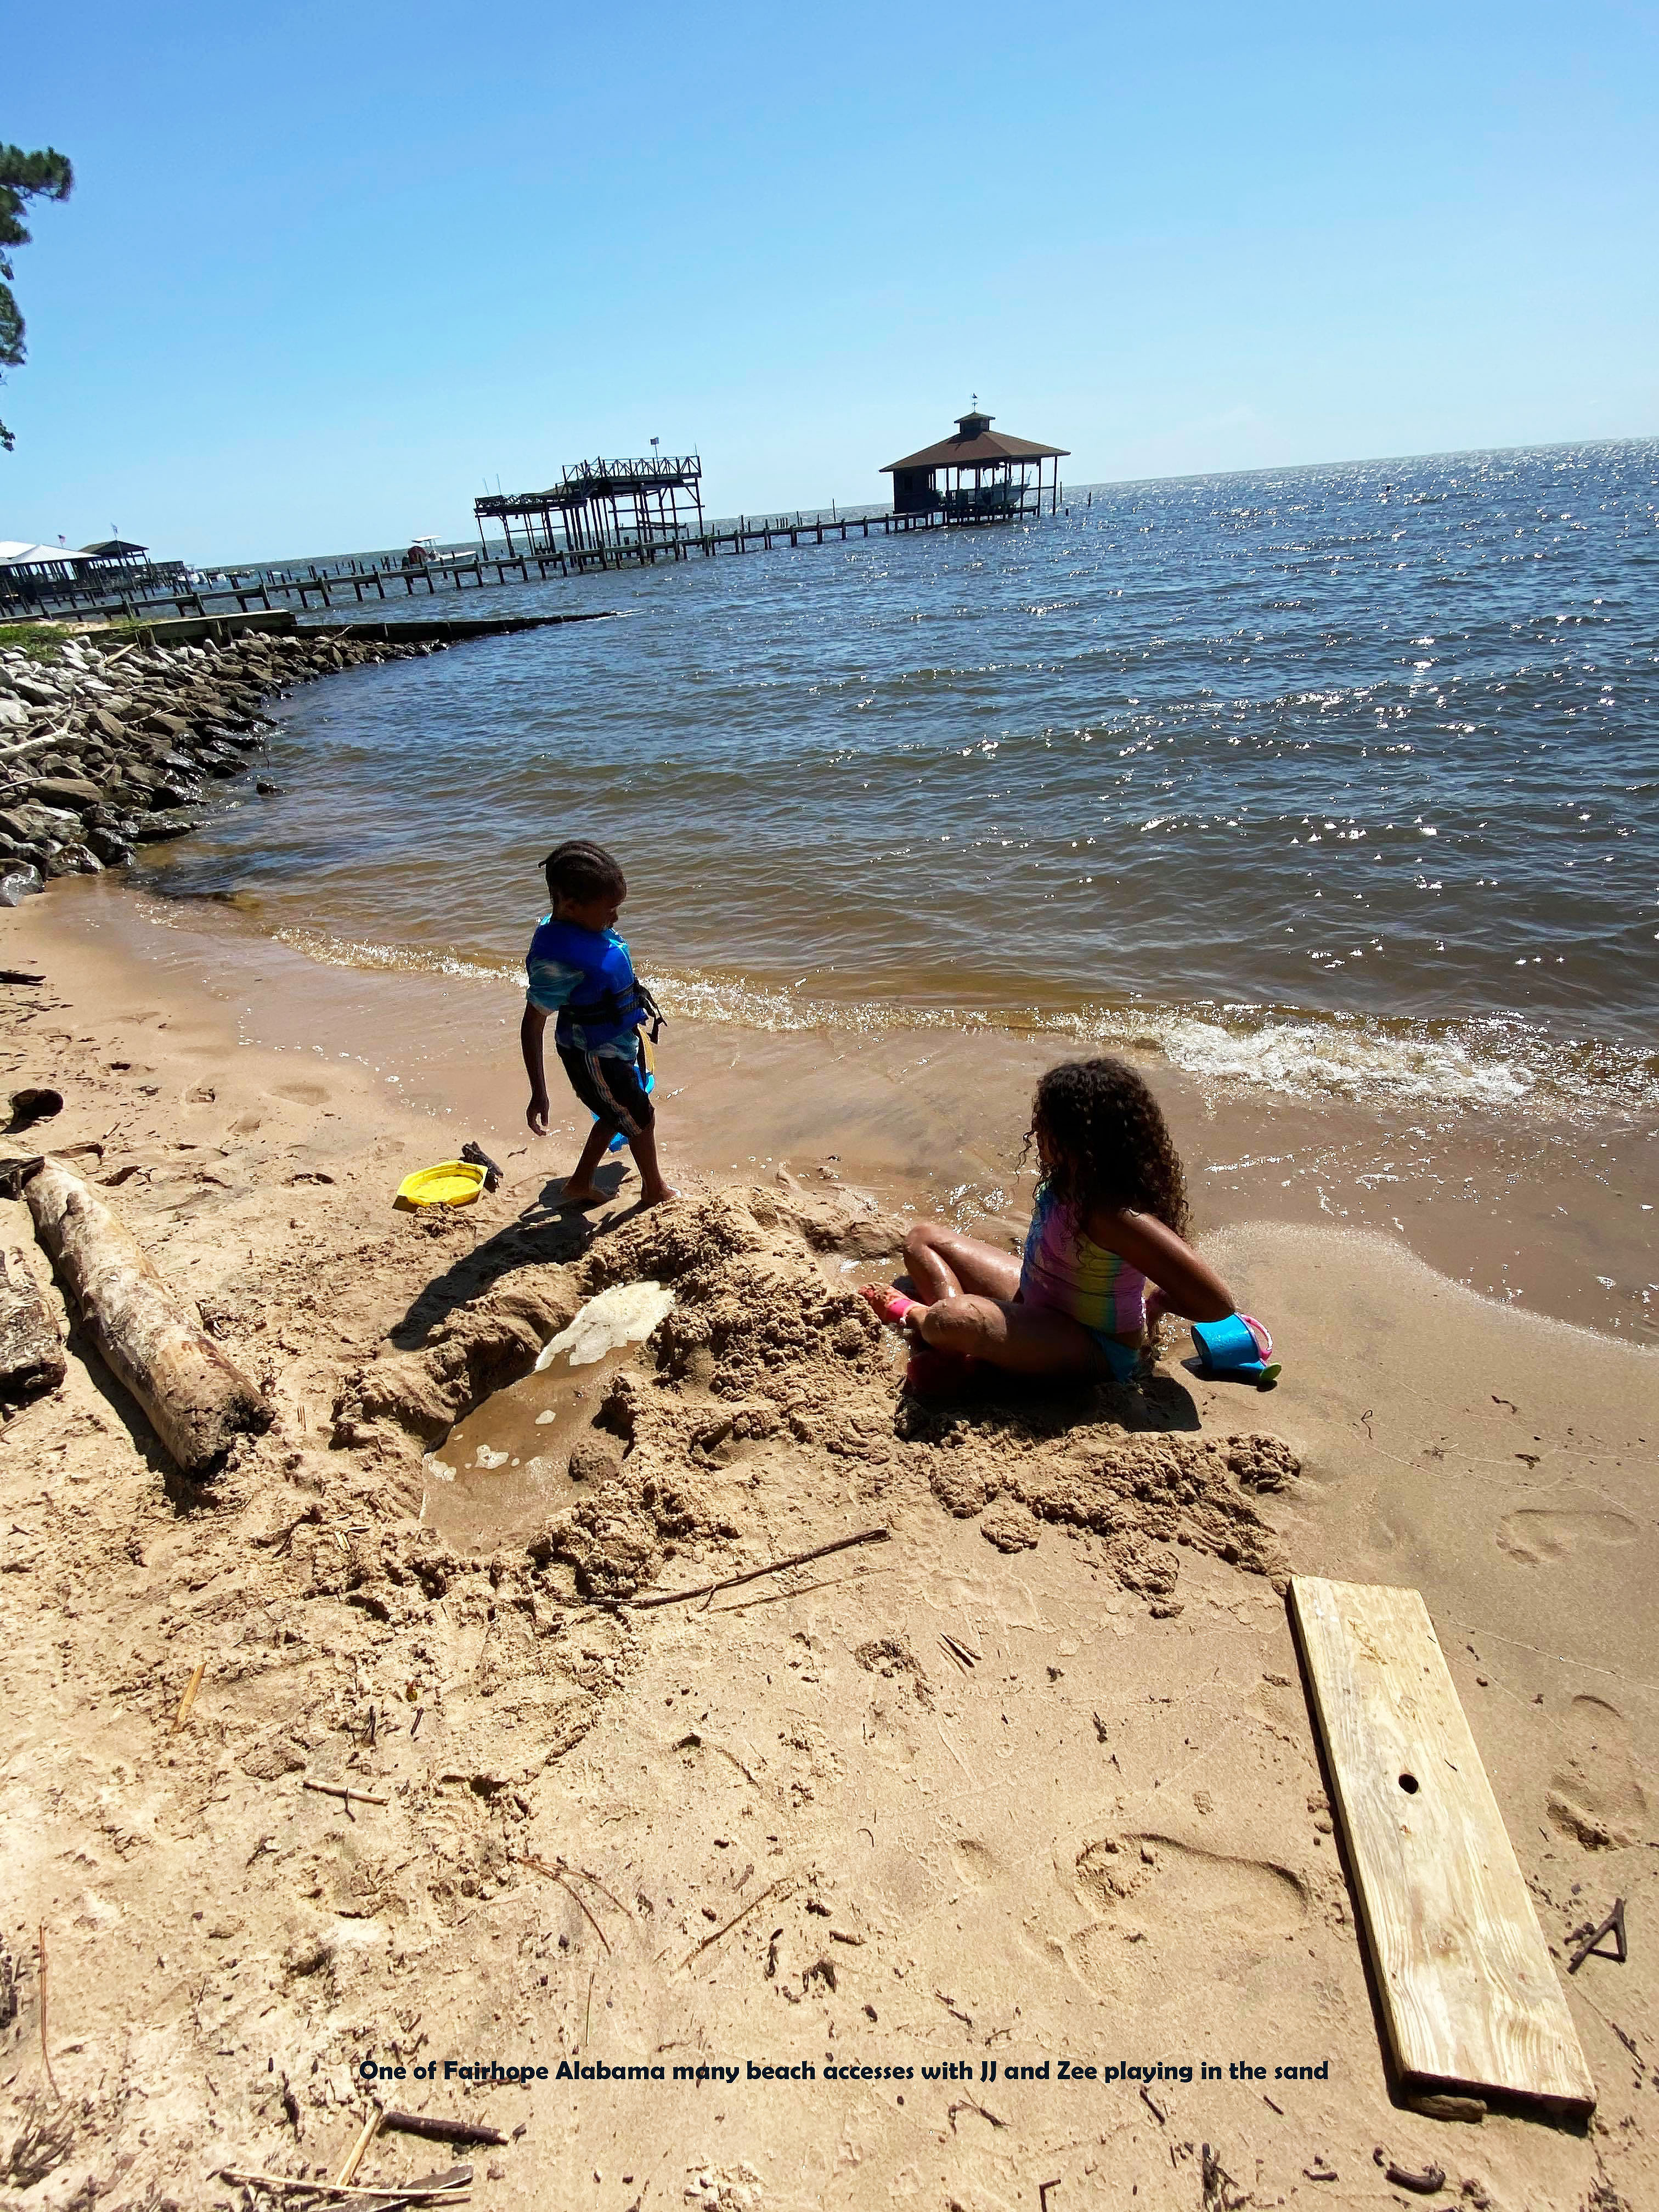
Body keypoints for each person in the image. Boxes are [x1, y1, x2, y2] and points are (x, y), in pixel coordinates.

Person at [863, 1057, 1233, 1391]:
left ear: (1077, 1138)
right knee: (922, 1239)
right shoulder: (1065, 1181)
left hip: (1091, 1345)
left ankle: (925, 1319)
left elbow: (1217, 1303)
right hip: (1036, 1303)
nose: (1035, 1131)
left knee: (955, 1318)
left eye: (1045, 1124)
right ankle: (962, 1348)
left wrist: (1158, 1303)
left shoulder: (1116, 1216)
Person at [521, 839, 676, 1207]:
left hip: (614, 1042)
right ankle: (655, 1190)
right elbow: (532, 1025)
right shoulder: (555, 961)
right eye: (610, 910)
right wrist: (539, 1092)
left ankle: (579, 1182)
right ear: (571, 906)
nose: (615, 919)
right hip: (592, 1053)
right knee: (641, 1116)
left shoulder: (582, 928)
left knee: (615, 1111)